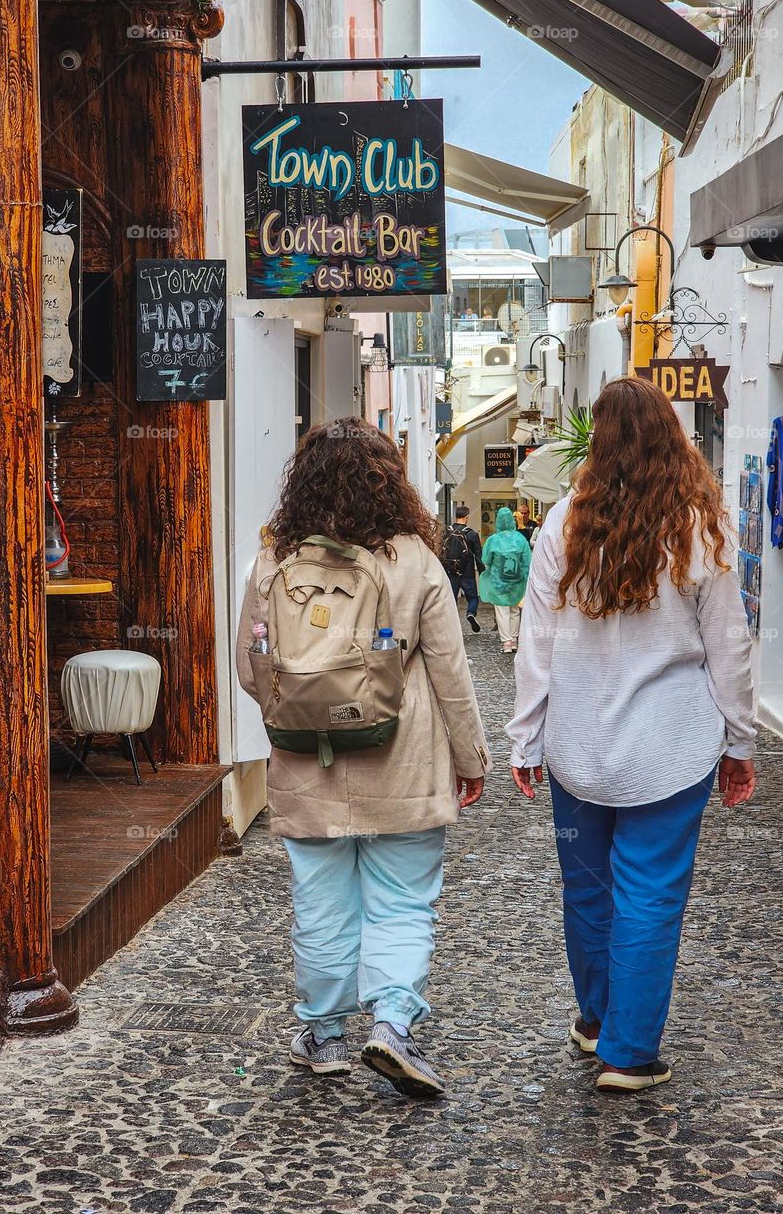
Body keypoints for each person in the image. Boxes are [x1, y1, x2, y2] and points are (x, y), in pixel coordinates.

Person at [506, 376, 756, 1093]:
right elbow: (729, 646)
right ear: (670, 439)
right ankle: (628, 1051)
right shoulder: (699, 527)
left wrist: (526, 739)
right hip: (671, 749)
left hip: (579, 746)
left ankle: (595, 1020)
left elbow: (537, 643)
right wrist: (740, 742)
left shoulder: (561, 524)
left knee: (586, 889)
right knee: (649, 892)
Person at [237, 417, 489, 1098]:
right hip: (403, 769)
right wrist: (471, 760)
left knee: (321, 906)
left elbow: (247, 669)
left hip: (306, 767)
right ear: (390, 483)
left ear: (304, 484)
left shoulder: (272, 564)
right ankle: (392, 1023)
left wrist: (302, 706)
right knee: (404, 904)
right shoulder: (414, 560)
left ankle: (323, 1035)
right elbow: (450, 676)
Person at [478, 506, 531, 652]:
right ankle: (514, 640)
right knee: (515, 610)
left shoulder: (492, 540)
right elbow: (527, 560)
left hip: (498, 582)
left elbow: (485, 560)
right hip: (517, 581)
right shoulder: (520, 539)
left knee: (502, 610)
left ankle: (506, 642)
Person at [443, 504, 484, 633]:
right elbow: (478, 556)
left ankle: (451, 624)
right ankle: (471, 613)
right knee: (472, 598)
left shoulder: (447, 532)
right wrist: (482, 572)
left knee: (451, 598)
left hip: (451, 571)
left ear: (456, 516)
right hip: (467, 572)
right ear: (467, 517)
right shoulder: (471, 534)